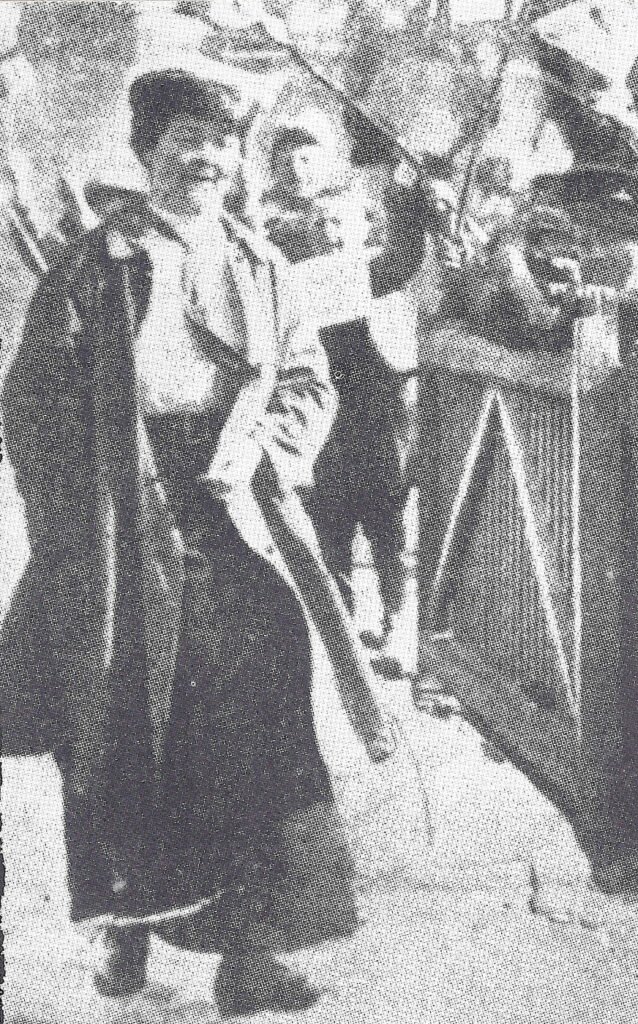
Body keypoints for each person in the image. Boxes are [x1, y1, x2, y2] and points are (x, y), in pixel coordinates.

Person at [1, 68, 378, 1017]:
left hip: (233, 511)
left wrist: (267, 445)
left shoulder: (262, 264)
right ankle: (127, 931)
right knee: (125, 726)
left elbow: (308, 381)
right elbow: (32, 402)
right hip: (120, 525)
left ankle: (250, 953)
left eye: (218, 144)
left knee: (262, 705)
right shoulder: (95, 266)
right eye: (183, 143)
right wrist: (79, 527)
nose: (204, 160)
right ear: (146, 156)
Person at [260, 105, 429, 676]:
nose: (297, 164)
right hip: (322, 412)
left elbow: (399, 259)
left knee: (387, 519)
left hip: (373, 410)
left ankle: (399, 622)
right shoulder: (278, 258)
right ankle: (346, 629)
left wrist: (410, 199)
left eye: (308, 153)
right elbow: (395, 260)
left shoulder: (350, 260)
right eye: (286, 156)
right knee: (328, 518)